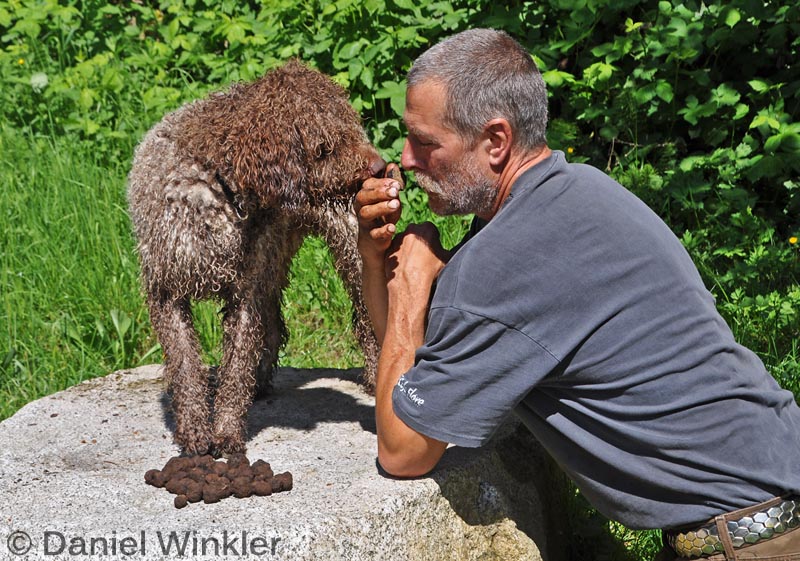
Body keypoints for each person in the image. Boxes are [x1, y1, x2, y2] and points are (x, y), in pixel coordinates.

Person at [355, 28, 800, 560]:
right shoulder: (574, 193)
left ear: (495, 142)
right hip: (764, 504)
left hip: (755, 543)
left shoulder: (504, 259)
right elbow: (417, 372)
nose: (405, 159)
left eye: (426, 142)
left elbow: (404, 448)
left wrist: (407, 292)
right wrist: (375, 256)